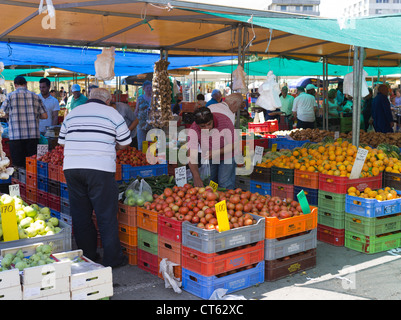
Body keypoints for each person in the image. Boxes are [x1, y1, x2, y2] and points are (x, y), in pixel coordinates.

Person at [58, 88, 132, 268]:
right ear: (108, 101)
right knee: (105, 214)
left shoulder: (73, 113)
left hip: (72, 168)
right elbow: (126, 142)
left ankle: (88, 255)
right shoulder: (112, 113)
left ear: (89, 99)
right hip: (100, 168)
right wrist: (111, 146)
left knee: (81, 214)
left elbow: (61, 141)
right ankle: (113, 259)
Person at [0, 76, 48, 167]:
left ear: (15, 85)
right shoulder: (35, 96)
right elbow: (45, 116)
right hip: (33, 137)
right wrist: (34, 115)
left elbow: (2, 113)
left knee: (18, 167)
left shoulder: (10, 96)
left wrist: (11, 114)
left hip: (16, 137)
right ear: (26, 84)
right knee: (32, 166)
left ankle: (19, 180)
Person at [187, 107, 237, 190]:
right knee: (211, 182)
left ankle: (227, 201)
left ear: (212, 119)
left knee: (224, 182)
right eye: (203, 126)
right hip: (210, 156)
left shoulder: (224, 121)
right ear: (197, 124)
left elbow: (234, 144)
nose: (207, 128)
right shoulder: (194, 129)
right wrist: (196, 176)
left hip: (228, 154)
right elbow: (191, 154)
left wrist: (216, 152)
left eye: (209, 124)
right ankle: (214, 201)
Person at [134, 80, 152, 151]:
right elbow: (136, 110)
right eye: (147, 88)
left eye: (150, 88)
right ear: (143, 89)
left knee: (151, 143)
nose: (149, 89)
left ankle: (151, 158)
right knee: (141, 143)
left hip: (151, 124)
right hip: (141, 124)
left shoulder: (154, 99)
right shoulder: (140, 98)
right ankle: (142, 157)